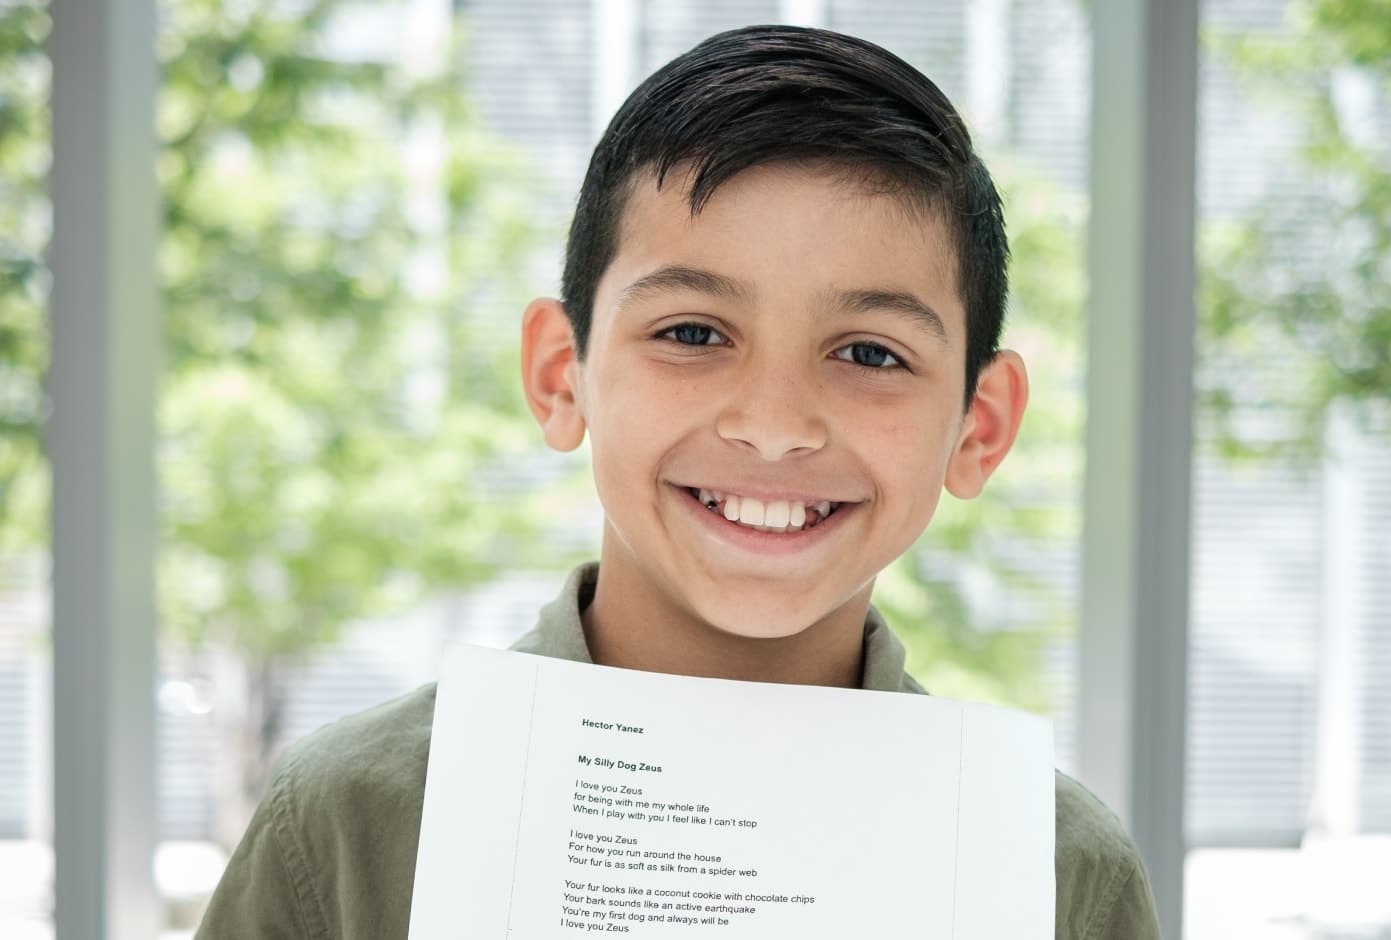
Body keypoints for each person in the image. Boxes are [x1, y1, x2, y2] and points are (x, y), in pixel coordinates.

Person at [196, 24, 1161, 939]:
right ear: (558, 375)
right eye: (692, 334)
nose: (775, 427)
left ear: (978, 427)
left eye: (868, 352)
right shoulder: (344, 826)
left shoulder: (1059, 872)